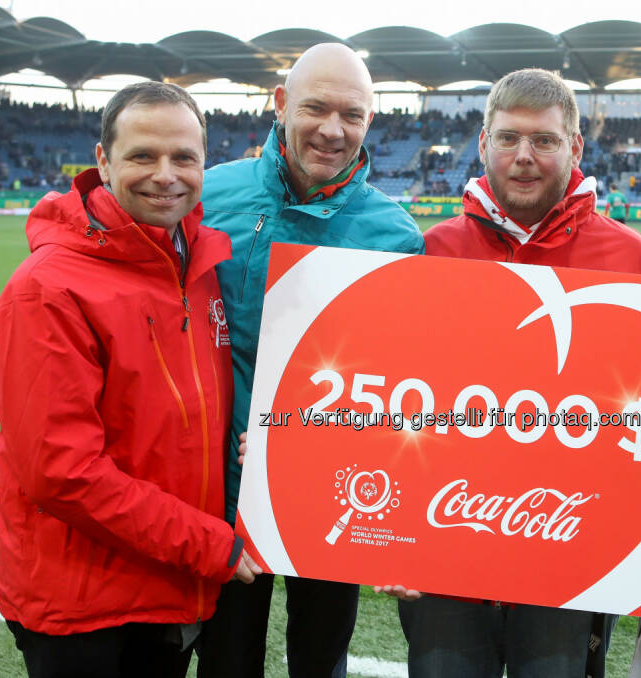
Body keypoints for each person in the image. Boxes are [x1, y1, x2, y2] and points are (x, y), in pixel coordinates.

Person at [380, 67, 641, 678]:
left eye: (544, 140)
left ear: (576, 148)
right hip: (443, 539)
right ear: (483, 145)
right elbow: (388, 397)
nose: (524, 157)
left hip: (572, 541)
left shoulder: (634, 261)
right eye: (508, 139)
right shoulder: (431, 253)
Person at [0, 81, 262, 678]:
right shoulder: (47, 289)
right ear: (103, 161)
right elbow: (64, 472)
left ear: (204, 164)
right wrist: (209, 546)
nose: (166, 175)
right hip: (86, 610)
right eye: (143, 155)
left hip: (170, 590)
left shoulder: (198, 266)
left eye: (184, 158)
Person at [196, 43, 425, 678]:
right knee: (225, 660)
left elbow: (404, 380)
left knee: (321, 660)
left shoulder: (395, 235)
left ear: (370, 121)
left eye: (351, 114)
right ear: (280, 105)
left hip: (332, 497)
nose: (332, 129)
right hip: (222, 495)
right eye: (315, 108)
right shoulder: (207, 198)